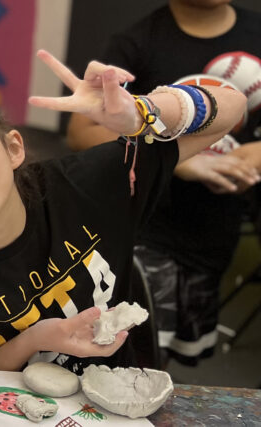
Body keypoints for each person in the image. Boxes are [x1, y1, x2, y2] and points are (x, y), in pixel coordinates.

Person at [0, 50, 246, 372]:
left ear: (13, 149)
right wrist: (34, 340)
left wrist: (143, 112)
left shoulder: (88, 186)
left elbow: (233, 106)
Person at [66, 0, 261, 366]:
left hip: (214, 236)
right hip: (148, 232)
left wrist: (254, 155)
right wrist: (180, 160)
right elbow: (81, 132)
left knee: (167, 364)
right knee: (131, 353)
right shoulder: (137, 44)